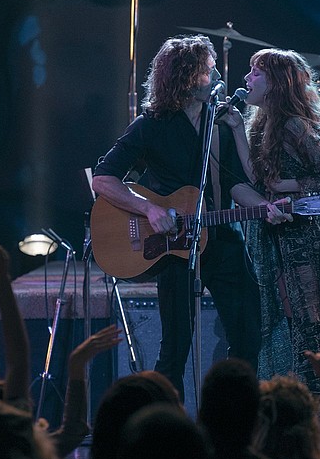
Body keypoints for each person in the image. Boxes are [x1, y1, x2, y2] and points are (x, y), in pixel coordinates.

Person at [91, 34, 262, 400]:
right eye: (208, 68)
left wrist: (265, 207)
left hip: (224, 238)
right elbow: (103, 179)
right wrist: (148, 208)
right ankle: (166, 433)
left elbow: (235, 185)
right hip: (174, 248)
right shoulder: (151, 125)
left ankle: (232, 423)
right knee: (175, 350)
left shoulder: (222, 123)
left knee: (247, 335)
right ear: (187, 77)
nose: (216, 74)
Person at [220, 48, 320, 444]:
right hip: (276, 243)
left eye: (255, 73)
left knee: (309, 328)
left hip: (303, 247)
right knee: (283, 326)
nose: (247, 79)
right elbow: (258, 177)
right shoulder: (262, 125)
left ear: (276, 83)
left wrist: (288, 187)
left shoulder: (295, 126)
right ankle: (291, 424)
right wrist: (232, 128)